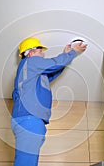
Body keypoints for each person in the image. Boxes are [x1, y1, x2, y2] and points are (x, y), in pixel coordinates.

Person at [11, 37, 87, 166]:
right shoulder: (30, 62)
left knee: (29, 162)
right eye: (40, 51)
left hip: (31, 120)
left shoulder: (33, 73)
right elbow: (54, 64)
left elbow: (52, 72)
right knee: (26, 163)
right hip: (29, 119)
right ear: (30, 53)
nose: (43, 54)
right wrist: (73, 52)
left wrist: (65, 55)